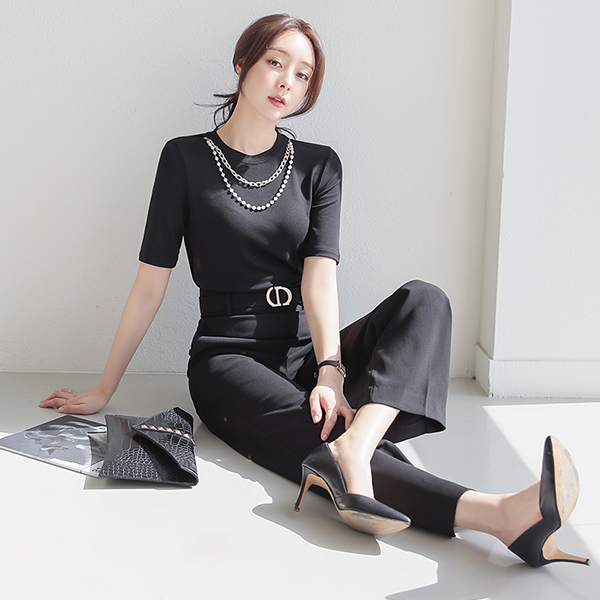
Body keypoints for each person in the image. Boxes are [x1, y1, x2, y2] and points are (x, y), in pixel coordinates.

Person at [40, 14, 587, 567]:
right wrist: (105, 388)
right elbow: (149, 287)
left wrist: (330, 370)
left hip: (308, 353)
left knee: (426, 300)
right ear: (242, 63)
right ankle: (500, 514)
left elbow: (319, 278)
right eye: (275, 63)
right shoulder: (183, 159)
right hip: (228, 361)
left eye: (303, 75)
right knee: (319, 442)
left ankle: (359, 443)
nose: (287, 82)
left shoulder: (319, 165)